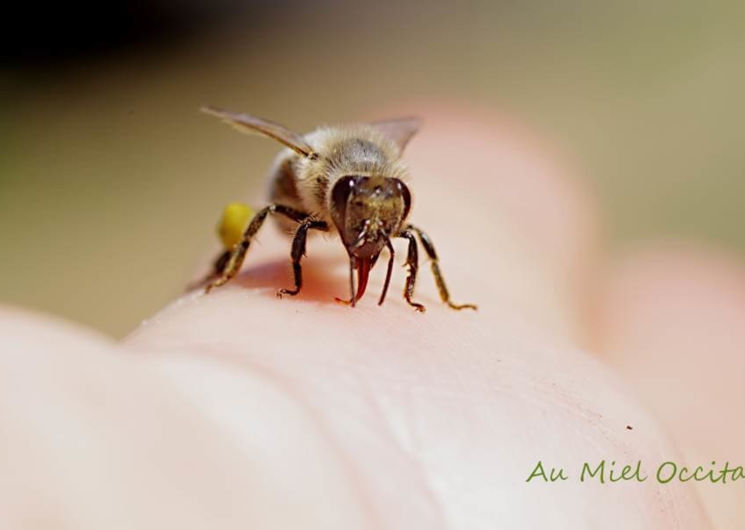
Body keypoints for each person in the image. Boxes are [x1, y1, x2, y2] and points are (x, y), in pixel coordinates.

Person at [3, 106, 739, 528]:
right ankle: (231, 271)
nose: (375, 223)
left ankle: (434, 292)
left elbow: (398, 220)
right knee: (262, 220)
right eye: (364, 206)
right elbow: (287, 211)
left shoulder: (383, 200)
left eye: (388, 205)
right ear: (339, 189)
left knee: (417, 246)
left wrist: (430, 295)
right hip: (292, 190)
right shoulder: (315, 186)